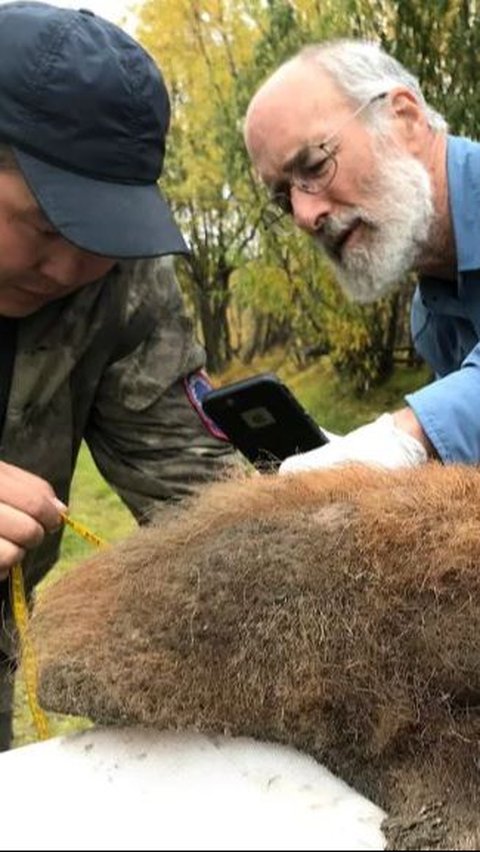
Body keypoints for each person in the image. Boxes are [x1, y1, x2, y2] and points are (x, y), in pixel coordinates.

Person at [0, 1, 235, 750]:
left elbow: (195, 491)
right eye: (45, 224)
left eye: (101, 234)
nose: (71, 266)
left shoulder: (122, 280)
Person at [243, 39, 480, 473]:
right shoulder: (430, 320)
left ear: (404, 118)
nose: (304, 215)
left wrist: (410, 434)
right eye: (283, 200)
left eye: (315, 166)